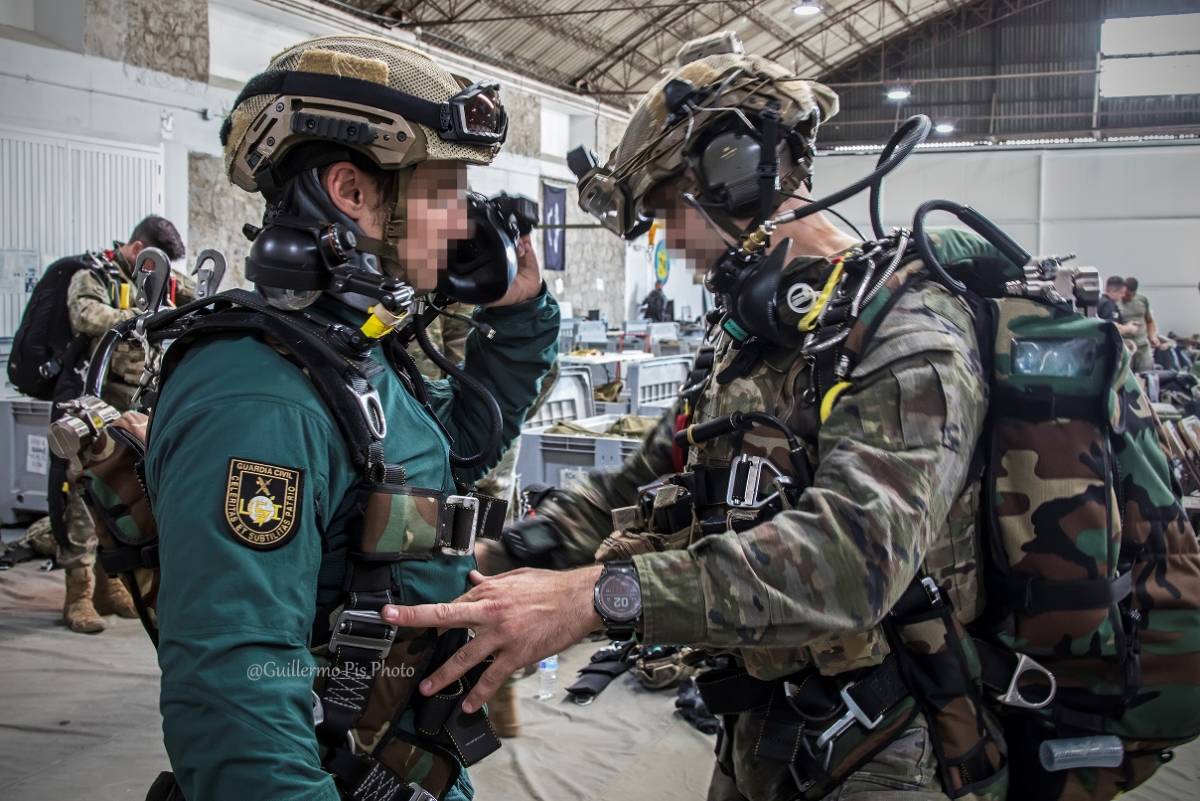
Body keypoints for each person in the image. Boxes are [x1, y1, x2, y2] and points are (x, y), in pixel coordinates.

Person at [384, 36, 995, 799]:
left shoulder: (907, 326)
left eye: (670, 208)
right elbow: (646, 474)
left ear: (737, 172)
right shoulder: (751, 340)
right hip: (762, 719)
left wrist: (595, 596)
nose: (670, 239)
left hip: (889, 744)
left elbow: (855, 560)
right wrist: (505, 558)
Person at [146, 35, 557, 801]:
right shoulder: (258, 395)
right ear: (353, 190)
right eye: (447, 194)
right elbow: (234, 696)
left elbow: (455, 449)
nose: (463, 223)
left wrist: (521, 314)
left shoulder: (349, 353)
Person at [55, 215, 192, 633]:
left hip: (142, 399)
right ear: (137, 249)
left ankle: (111, 586)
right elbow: (84, 314)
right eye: (155, 258)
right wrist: (139, 316)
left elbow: (197, 296)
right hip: (98, 397)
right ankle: (78, 595)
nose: (162, 268)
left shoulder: (162, 275)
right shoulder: (92, 274)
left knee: (122, 489)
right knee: (81, 497)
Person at [1120, 276, 1158, 372]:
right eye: (1126, 294)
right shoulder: (1116, 302)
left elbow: (1149, 321)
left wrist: (1153, 336)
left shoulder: (1142, 300)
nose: (1128, 297)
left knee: (1147, 373)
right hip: (1126, 347)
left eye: (1131, 295)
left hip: (1143, 346)